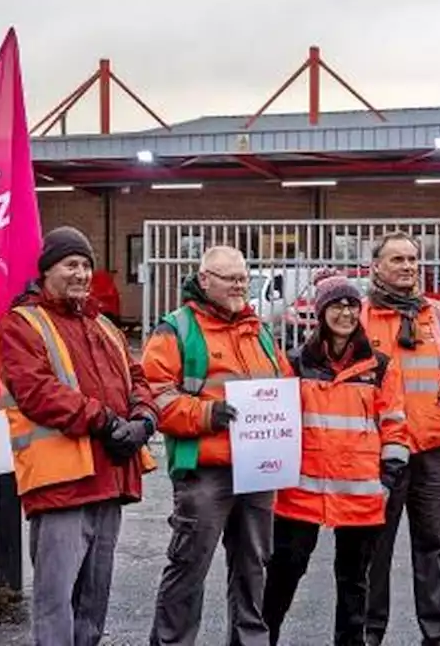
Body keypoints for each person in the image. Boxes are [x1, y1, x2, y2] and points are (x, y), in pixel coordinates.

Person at [0, 226, 159, 646]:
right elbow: (37, 392)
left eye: (86, 265)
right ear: (47, 270)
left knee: (93, 601)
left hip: (109, 477)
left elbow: (137, 378)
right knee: (56, 601)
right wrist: (104, 421)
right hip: (61, 483)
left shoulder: (103, 326)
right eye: (71, 264)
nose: (81, 273)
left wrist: (144, 419)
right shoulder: (21, 324)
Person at [143, 245, 292, 646]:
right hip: (205, 467)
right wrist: (206, 415)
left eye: (244, 277)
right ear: (205, 280)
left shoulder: (257, 329)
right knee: (189, 566)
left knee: (253, 567)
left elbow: (282, 381)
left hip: (257, 469)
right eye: (231, 278)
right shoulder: (177, 328)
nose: (240, 285)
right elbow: (154, 393)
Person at [261, 271, 410, 646]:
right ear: (321, 311)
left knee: (354, 581)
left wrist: (388, 479)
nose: (345, 313)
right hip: (301, 491)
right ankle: (263, 639)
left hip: (361, 492)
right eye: (337, 305)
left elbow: (394, 425)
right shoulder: (296, 363)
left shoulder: (380, 366)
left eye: (351, 306)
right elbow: (277, 420)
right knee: (284, 573)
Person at [362, 231, 440, 646]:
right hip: (380, 453)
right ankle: (369, 631)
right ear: (376, 266)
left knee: (433, 544)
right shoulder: (359, 318)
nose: (408, 267)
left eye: (412, 259)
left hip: (432, 449)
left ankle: (438, 632)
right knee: (373, 549)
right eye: (397, 260)